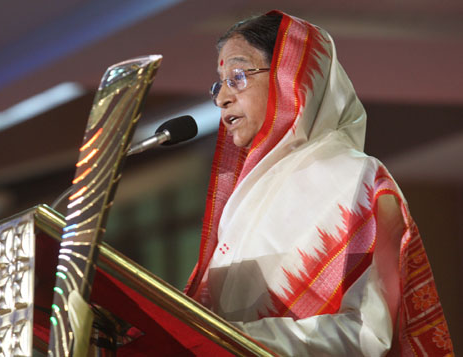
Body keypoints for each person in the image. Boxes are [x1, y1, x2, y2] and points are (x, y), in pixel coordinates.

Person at [185, 10, 454, 356]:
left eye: (237, 76)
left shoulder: (357, 181)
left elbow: (369, 334)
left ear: (291, 76)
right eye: (219, 83)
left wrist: (236, 339)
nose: (222, 97)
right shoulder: (245, 201)